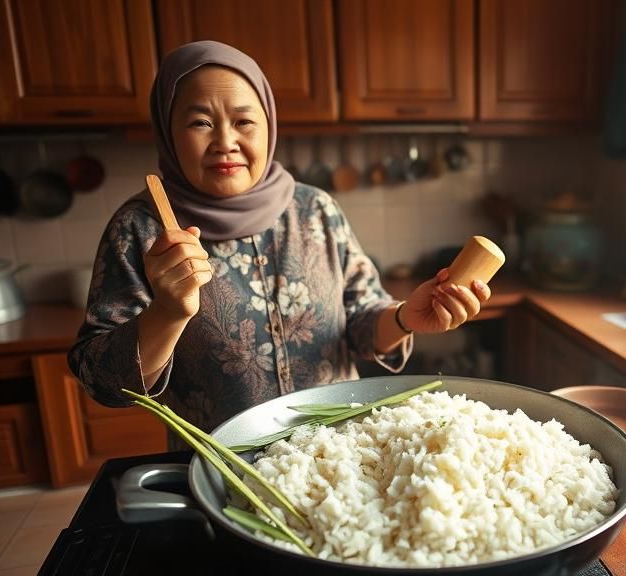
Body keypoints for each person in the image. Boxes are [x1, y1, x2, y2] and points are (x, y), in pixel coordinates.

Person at [68, 41, 491, 446]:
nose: (225, 142)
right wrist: (167, 312)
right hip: (224, 469)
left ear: (269, 125)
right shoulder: (140, 230)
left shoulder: (315, 209)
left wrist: (404, 317)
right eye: (200, 123)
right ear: (167, 131)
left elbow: (360, 321)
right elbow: (100, 381)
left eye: (244, 121)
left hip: (337, 460)